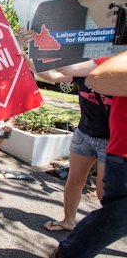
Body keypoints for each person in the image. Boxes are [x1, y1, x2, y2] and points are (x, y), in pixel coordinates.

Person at [19, 33, 111, 232]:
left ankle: (107, 231)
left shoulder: (114, 70)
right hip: (85, 133)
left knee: (105, 194)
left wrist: (48, 43)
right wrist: (27, 58)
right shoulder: (84, 70)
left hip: (111, 140)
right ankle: (68, 221)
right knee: (74, 181)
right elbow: (51, 76)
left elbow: (65, 66)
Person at [51, 50, 127, 258]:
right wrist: (36, 53)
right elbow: (59, 73)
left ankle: (67, 251)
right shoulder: (110, 64)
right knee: (111, 208)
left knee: (110, 206)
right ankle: (68, 234)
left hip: (109, 142)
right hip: (92, 136)